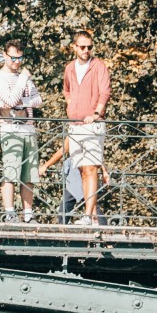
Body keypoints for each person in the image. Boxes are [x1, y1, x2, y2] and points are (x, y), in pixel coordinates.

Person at [0, 41, 43, 221]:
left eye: (20, 58)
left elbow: (38, 100)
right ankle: (10, 213)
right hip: (10, 128)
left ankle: (28, 214)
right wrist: (22, 82)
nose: (17, 62)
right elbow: (10, 100)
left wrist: (22, 103)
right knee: (11, 171)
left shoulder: (24, 77)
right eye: (13, 58)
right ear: (4, 55)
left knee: (29, 174)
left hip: (28, 128)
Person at [62, 30, 110, 224]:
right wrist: (70, 103)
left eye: (89, 47)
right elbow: (66, 89)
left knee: (91, 168)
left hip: (92, 124)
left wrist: (97, 113)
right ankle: (88, 214)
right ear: (74, 47)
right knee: (82, 169)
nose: (86, 50)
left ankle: (88, 216)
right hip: (75, 124)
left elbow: (105, 92)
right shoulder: (70, 68)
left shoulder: (98, 66)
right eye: (82, 47)